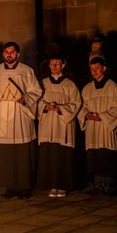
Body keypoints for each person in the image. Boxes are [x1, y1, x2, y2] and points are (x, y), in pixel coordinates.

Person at [0, 41, 42, 199]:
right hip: (3, 115)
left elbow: (36, 91)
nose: (9, 54)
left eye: (12, 52)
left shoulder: (26, 71)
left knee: (22, 152)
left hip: (20, 114)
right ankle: (10, 186)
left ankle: (24, 187)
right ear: (3, 54)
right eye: (6, 52)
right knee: (6, 153)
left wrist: (26, 99)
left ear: (18, 54)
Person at [37, 56, 81, 197]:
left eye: (57, 64)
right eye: (52, 64)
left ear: (63, 65)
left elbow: (76, 103)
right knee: (49, 154)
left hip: (63, 125)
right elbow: (36, 102)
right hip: (47, 124)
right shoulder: (42, 83)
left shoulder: (70, 84)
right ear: (49, 66)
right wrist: (45, 106)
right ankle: (52, 185)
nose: (54, 66)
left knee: (63, 155)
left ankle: (63, 186)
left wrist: (60, 108)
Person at [78, 57, 117, 195]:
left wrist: (101, 116)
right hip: (92, 127)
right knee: (94, 155)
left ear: (104, 68)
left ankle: (108, 185)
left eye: (97, 68)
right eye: (92, 69)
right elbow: (82, 107)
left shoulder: (113, 87)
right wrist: (86, 115)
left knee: (106, 154)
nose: (95, 72)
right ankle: (96, 184)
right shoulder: (87, 89)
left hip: (106, 126)